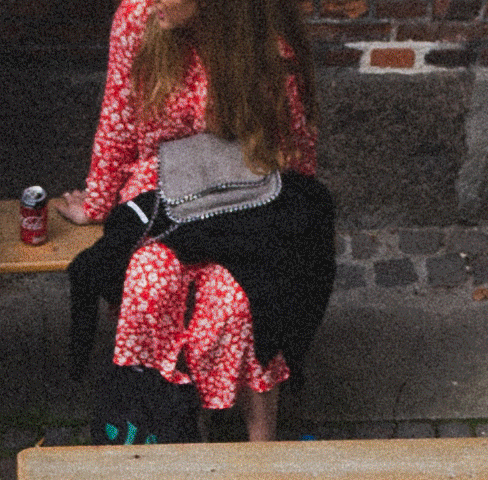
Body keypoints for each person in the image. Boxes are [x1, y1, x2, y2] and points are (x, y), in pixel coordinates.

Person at [79, 0, 333, 444]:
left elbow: (294, 153)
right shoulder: (138, 17)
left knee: (235, 297)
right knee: (148, 281)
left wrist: (289, 223)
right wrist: (98, 203)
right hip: (160, 193)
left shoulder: (264, 40)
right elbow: (117, 119)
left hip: (245, 199)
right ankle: (172, 429)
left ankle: (260, 446)